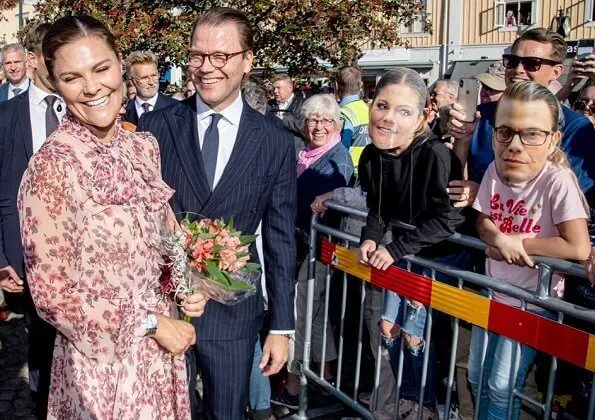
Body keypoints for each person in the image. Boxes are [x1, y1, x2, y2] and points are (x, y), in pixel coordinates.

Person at [17, 15, 195, 419]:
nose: (93, 87)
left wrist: (187, 284)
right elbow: (53, 297)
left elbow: (166, 236)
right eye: (72, 77)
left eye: (101, 68)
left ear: (120, 64)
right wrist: (151, 323)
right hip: (101, 370)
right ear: (56, 83)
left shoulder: (142, 148)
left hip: (160, 357)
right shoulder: (53, 167)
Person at [137, 7, 296, 419]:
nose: (206, 68)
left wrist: (281, 326)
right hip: (166, 309)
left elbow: (280, 238)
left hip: (233, 313)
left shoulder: (274, 140)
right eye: (197, 56)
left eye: (220, 57)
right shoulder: (157, 126)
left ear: (247, 60)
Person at [468, 81, 591, 420]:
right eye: (505, 132)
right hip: (494, 293)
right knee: (477, 377)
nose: (515, 146)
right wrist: (496, 238)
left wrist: (516, 243)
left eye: (532, 134)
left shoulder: (558, 181)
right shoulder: (495, 170)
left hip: (532, 302)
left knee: (501, 386)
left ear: (554, 139)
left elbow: (577, 246)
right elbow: (482, 220)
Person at [357, 68, 465, 419]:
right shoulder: (371, 156)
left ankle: (427, 405)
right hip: (405, 254)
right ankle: (408, 400)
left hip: (441, 258)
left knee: (413, 335)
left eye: (403, 111)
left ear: (422, 116)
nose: (388, 118)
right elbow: (378, 208)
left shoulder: (436, 155)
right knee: (389, 329)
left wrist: (394, 249)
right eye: (382, 105)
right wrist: (371, 238)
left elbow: (448, 219)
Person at [447, 28, 595, 211]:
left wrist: (485, 195)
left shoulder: (575, 127)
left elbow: (571, 202)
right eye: (513, 61)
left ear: (556, 72)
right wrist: (462, 140)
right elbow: (456, 185)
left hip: (533, 236)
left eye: (532, 63)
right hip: (474, 230)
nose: (518, 70)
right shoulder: (481, 116)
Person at [0, 22, 65, 419]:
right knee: (41, 349)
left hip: (85, 258)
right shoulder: (6, 116)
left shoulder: (83, 107)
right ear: (35, 59)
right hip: (27, 256)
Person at [272, 94, 353, 409]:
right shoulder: (305, 153)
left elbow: (330, 210)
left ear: (337, 125)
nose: (318, 126)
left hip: (317, 249)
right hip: (300, 247)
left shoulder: (337, 159)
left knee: (300, 315)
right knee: (314, 317)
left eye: (326, 120)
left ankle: (295, 386)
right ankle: (325, 378)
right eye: (312, 120)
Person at [123, 50, 177, 125]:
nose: (151, 82)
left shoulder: (176, 108)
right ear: (131, 81)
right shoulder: (124, 113)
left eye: (154, 76)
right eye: (144, 78)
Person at [336, 66, 372, 171]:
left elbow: (341, 150)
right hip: (369, 170)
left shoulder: (341, 114)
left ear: (336, 85)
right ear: (361, 85)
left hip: (349, 172)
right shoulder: (370, 110)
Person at [267, 73, 307, 154]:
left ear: (290, 88)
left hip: (296, 153)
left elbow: (306, 128)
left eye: (279, 88)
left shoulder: (303, 104)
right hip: (274, 152)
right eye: (274, 88)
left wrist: (284, 120)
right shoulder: (269, 105)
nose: (275, 91)